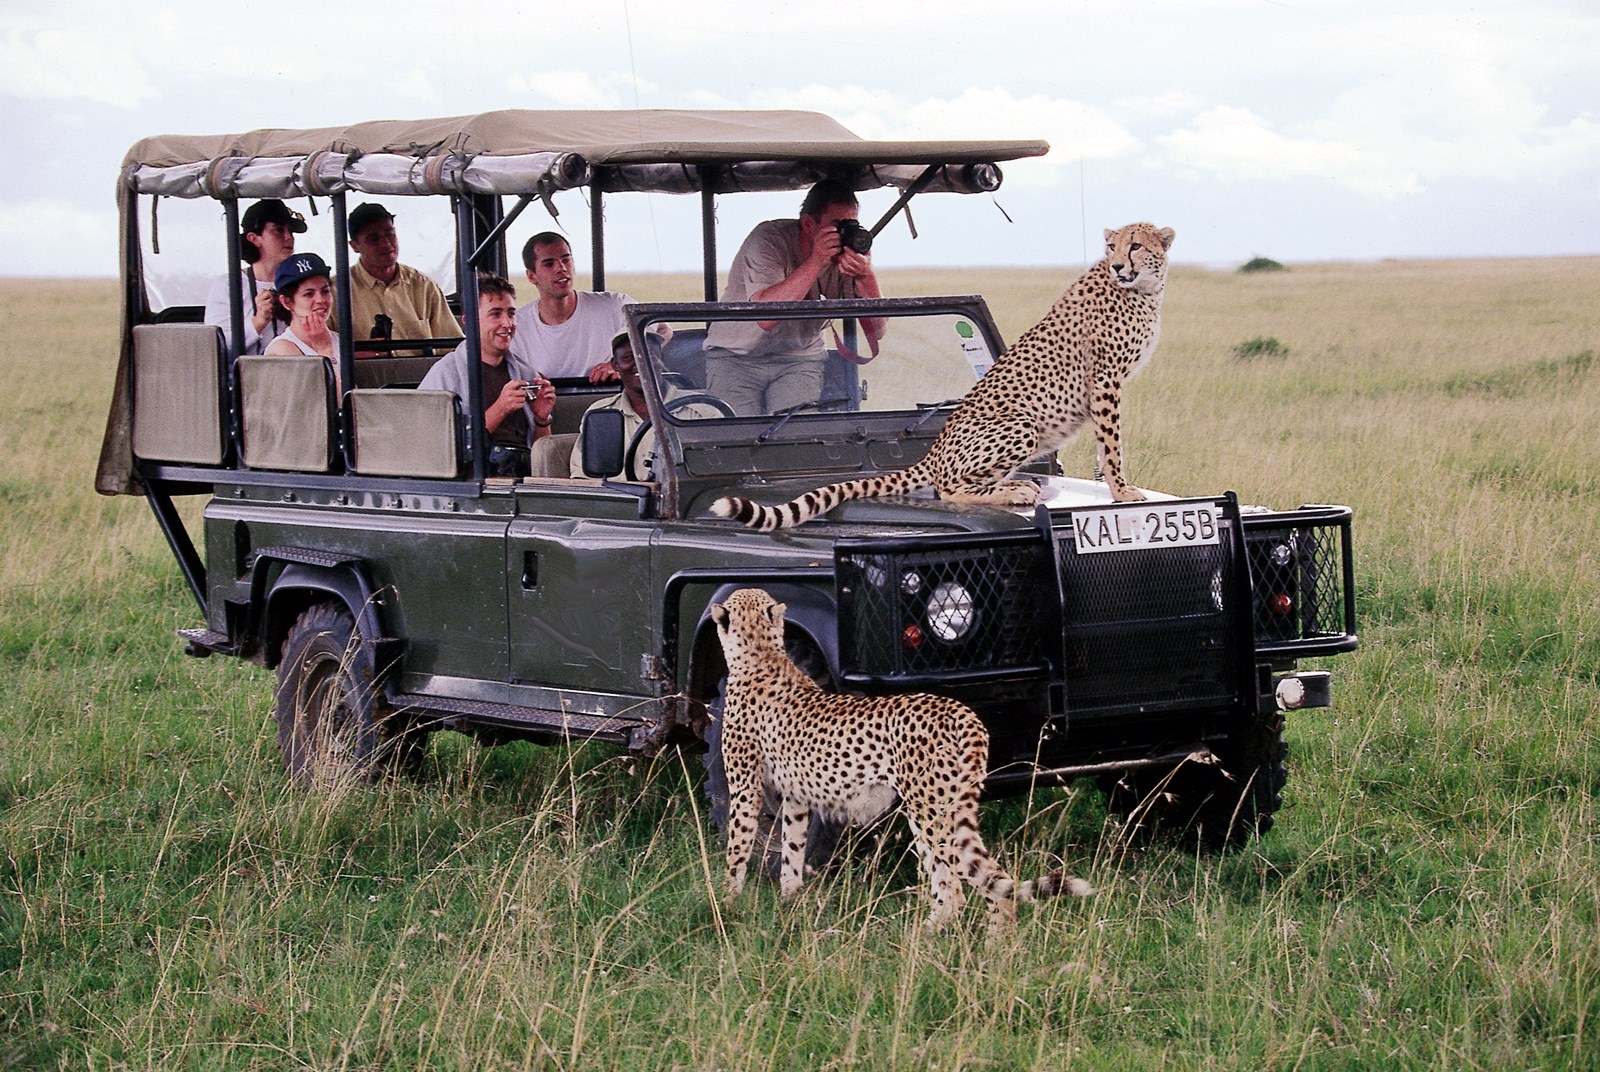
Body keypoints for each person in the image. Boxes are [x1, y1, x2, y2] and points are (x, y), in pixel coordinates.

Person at [703, 180, 887, 416]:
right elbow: (766, 318)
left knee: (797, 437)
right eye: (837, 225)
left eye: (852, 224)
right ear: (809, 224)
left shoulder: (845, 254)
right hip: (737, 356)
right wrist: (816, 261)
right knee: (736, 440)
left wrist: (866, 275)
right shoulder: (768, 240)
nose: (845, 233)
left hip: (799, 358)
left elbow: (878, 331)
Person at [420, 274, 555, 477]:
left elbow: (539, 456)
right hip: (471, 482)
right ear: (469, 321)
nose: (507, 324)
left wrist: (542, 418)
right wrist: (500, 409)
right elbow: (436, 451)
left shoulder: (526, 373)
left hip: (522, 477)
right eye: (495, 314)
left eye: (511, 313)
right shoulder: (445, 374)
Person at [508, 232, 668, 383]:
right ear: (531, 276)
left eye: (566, 260)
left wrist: (621, 365)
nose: (561, 268)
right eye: (549, 264)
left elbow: (663, 329)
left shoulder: (615, 305)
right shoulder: (518, 327)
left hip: (613, 408)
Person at [570, 331, 723, 479]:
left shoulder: (703, 412)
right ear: (615, 365)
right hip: (619, 502)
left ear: (661, 359)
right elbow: (583, 478)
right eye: (629, 357)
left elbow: (717, 473)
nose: (640, 363)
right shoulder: (600, 414)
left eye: (649, 355)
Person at [339, 202, 460, 356]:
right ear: (355, 245)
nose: (385, 243)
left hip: (420, 379)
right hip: (362, 379)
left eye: (390, 234)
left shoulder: (424, 286)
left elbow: (452, 347)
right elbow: (323, 353)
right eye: (373, 239)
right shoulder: (336, 292)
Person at [204, 198, 306, 354]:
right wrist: (259, 321)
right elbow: (215, 347)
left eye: (290, 231)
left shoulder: (301, 283)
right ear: (254, 238)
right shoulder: (228, 285)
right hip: (244, 377)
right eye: (278, 230)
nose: (289, 237)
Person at [263, 253, 345, 392]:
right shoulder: (281, 349)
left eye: (325, 291)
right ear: (287, 302)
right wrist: (325, 351)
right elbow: (320, 403)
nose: (320, 300)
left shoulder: (336, 339)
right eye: (309, 294)